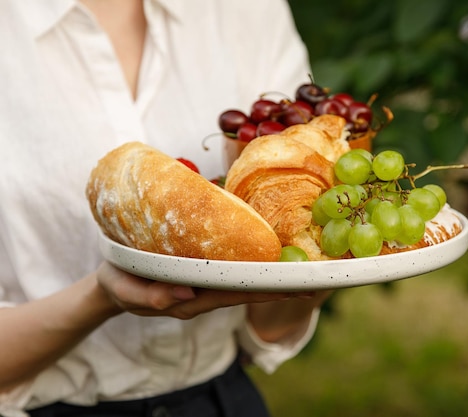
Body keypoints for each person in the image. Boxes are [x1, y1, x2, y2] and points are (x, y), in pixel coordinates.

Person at [0, 0, 331, 416]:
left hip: (222, 401)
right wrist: (100, 297)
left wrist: (320, 264)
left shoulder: (245, 9)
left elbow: (270, 325)